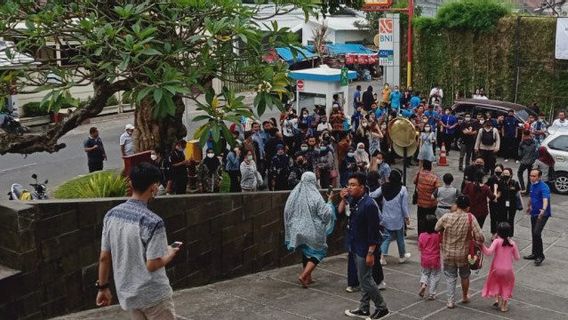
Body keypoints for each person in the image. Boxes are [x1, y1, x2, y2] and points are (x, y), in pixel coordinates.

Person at [96, 163, 179, 319]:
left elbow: (104, 257)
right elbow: (152, 264)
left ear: (131, 183)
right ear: (154, 188)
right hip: (154, 295)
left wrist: (103, 288)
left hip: (129, 294)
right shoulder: (154, 222)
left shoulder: (111, 215)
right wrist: (170, 253)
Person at [342, 173, 390, 319]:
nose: (349, 187)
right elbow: (343, 213)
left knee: (367, 280)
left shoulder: (369, 204)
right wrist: (344, 199)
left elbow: (374, 231)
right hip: (355, 245)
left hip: (365, 248)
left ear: (362, 187)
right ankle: (364, 308)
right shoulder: (354, 200)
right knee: (362, 279)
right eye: (348, 184)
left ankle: (382, 308)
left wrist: (370, 253)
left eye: (353, 185)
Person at [284, 172, 336, 288]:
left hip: (298, 230)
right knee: (319, 252)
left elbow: (287, 211)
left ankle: (309, 278)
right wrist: (330, 202)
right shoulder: (315, 196)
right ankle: (304, 275)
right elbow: (325, 214)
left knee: (305, 250)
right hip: (313, 230)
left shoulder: (295, 194)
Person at [435, 195, 485, 309]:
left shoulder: (446, 216)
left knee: (450, 277)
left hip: (448, 253)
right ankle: (464, 296)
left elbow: (436, 228)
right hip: (464, 254)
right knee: (465, 276)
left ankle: (450, 301)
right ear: (467, 207)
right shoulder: (470, 218)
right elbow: (480, 237)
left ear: (456, 205)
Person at [369, 170, 411, 265]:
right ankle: (402, 256)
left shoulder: (384, 187)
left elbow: (373, 195)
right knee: (400, 237)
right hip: (398, 218)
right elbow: (404, 206)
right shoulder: (403, 189)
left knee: (387, 237)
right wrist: (407, 217)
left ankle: (382, 257)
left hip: (386, 217)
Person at [481, 222, 520, 312]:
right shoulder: (512, 243)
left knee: (497, 282)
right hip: (508, 270)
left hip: (496, 269)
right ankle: (504, 306)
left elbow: (488, 252)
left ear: (498, 232)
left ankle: (497, 298)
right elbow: (517, 257)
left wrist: (481, 245)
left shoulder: (497, 241)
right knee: (506, 285)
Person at [524, 169, 552, 266]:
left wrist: (543, 210)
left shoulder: (544, 187)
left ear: (539, 177)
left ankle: (540, 255)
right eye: (531, 175)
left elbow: (545, 199)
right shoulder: (532, 185)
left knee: (536, 233)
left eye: (534, 176)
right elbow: (531, 197)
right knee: (533, 233)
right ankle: (534, 253)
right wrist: (529, 206)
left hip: (543, 214)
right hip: (534, 212)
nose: (532, 177)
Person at [418, 214, 442, 300]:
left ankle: (424, 284)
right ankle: (432, 293)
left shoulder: (421, 235)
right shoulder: (437, 236)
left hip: (425, 259)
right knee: (435, 275)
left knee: (425, 273)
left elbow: (420, 247)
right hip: (435, 259)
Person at [414, 160, 439, 234]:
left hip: (420, 202)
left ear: (423, 167)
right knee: (431, 221)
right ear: (430, 167)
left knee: (421, 220)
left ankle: (421, 236)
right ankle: (430, 235)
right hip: (431, 204)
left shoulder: (419, 174)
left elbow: (414, 181)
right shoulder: (434, 177)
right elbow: (438, 188)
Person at [496, 168, 521, 236]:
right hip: (502, 203)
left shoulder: (515, 183)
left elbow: (518, 194)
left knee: (510, 220)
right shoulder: (500, 182)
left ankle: (510, 235)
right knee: (502, 218)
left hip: (512, 204)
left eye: (507, 173)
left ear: (511, 174)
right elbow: (499, 192)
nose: (505, 175)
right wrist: (495, 198)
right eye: (504, 173)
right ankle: (500, 234)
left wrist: (521, 204)